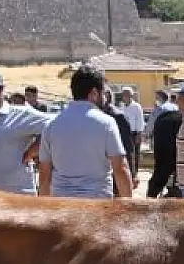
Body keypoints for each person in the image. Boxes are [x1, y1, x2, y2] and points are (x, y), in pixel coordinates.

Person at [37, 64, 131, 199]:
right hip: (96, 205)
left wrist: (45, 210)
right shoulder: (106, 123)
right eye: (103, 93)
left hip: (61, 205)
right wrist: (129, 206)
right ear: (94, 93)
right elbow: (120, 169)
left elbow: (45, 175)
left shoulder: (51, 125)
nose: (104, 98)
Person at [117, 87, 147, 179]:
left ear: (131, 95)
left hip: (134, 133)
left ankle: (134, 173)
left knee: (134, 153)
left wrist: (139, 134)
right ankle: (127, 171)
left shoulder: (137, 106)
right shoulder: (121, 106)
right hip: (124, 133)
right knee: (125, 153)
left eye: (127, 94)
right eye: (124, 94)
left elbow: (140, 121)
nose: (125, 96)